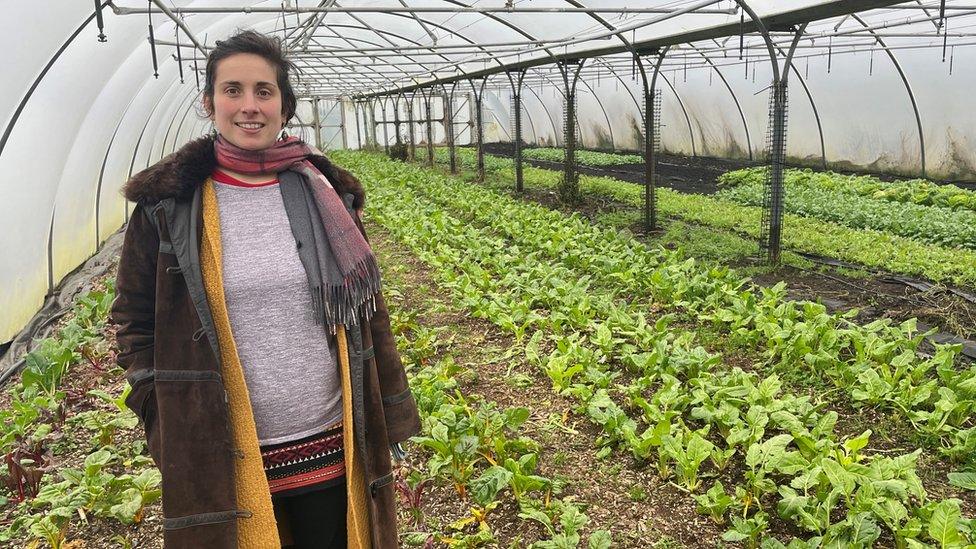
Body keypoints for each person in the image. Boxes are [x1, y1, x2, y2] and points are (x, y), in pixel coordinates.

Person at [111, 29, 420, 549]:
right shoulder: (169, 207)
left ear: (285, 105)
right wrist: (159, 405)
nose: (249, 106)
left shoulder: (330, 196)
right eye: (233, 90)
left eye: (264, 91)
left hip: (330, 440)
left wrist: (388, 407)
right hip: (221, 445)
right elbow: (133, 319)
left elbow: (370, 313)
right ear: (209, 103)